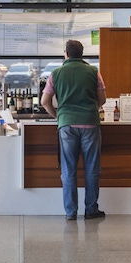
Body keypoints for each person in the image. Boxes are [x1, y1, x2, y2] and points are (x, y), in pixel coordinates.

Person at [41, 39, 107, 220]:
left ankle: (71, 212)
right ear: (82, 53)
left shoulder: (56, 73)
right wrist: (91, 109)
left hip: (67, 125)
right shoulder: (94, 71)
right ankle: (91, 209)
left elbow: (45, 102)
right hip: (90, 123)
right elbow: (102, 99)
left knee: (68, 169)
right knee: (92, 168)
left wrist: (59, 116)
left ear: (67, 54)